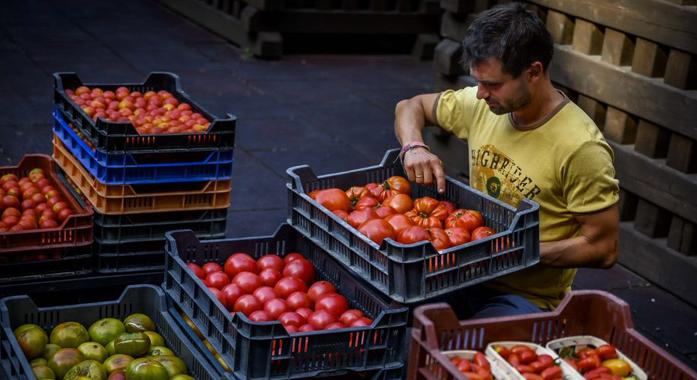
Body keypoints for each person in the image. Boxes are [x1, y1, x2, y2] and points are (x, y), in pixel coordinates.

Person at [394, 3, 620, 317]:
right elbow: (410, 106)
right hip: (461, 274)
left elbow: (603, 248)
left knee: (461, 356)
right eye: (478, 82)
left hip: (523, 298)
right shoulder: (482, 103)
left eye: (493, 84)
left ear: (534, 72)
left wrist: (515, 253)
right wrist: (414, 147)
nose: (480, 94)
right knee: (393, 306)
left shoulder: (580, 147)